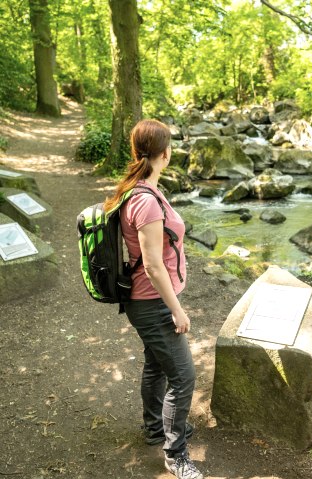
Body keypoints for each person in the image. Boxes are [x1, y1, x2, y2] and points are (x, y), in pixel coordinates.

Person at [103, 119, 203, 479]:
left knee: (157, 365)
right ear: (166, 153)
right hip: (152, 302)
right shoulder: (144, 200)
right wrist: (177, 310)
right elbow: (153, 265)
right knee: (184, 377)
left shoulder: (141, 189)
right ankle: (175, 455)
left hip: (148, 299)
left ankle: (154, 427)